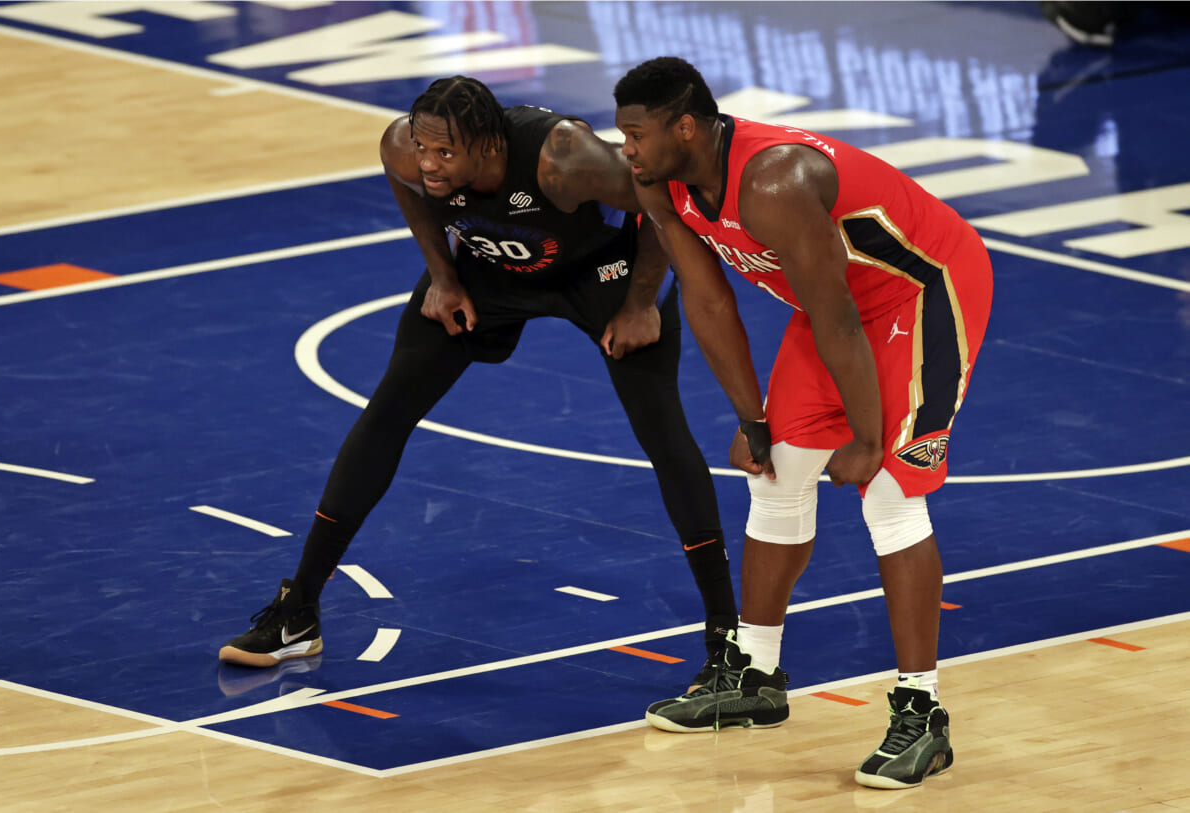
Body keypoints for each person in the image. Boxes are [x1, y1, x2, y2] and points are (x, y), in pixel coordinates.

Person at [219, 76, 738, 693]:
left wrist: (642, 302)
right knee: (386, 411)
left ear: (490, 148)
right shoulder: (404, 152)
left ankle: (728, 636)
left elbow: (660, 197)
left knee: (662, 433)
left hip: (602, 273)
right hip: (491, 266)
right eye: (424, 149)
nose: (429, 165)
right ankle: (298, 610)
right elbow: (409, 187)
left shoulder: (564, 158)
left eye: (446, 153)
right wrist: (441, 275)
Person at [612, 57, 993, 790]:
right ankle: (754, 677)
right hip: (837, 305)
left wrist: (869, 437)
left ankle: (923, 712)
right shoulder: (659, 181)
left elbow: (837, 316)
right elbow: (707, 298)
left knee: (889, 493)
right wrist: (752, 416)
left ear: (685, 128)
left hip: (921, 294)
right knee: (776, 470)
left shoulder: (775, 181)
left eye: (635, 132)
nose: (625, 147)